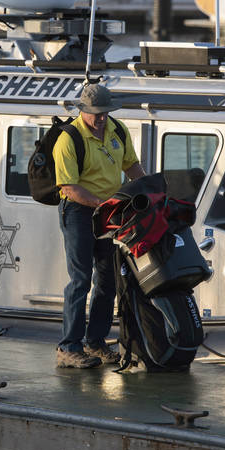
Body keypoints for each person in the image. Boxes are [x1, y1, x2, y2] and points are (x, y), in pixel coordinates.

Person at [53, 84, 144, 368]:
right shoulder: (68, 139)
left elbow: (132, 167)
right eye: (95, 113)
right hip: (79, 211)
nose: (101, 118)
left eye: (105, 112)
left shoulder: (117, 130)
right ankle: (68, 347)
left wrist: (147, 192)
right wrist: (102, 205)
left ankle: (95, 343)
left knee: (107, 280)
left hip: (109, 211)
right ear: (82, 110)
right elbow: (68, 187)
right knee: (80, 279)